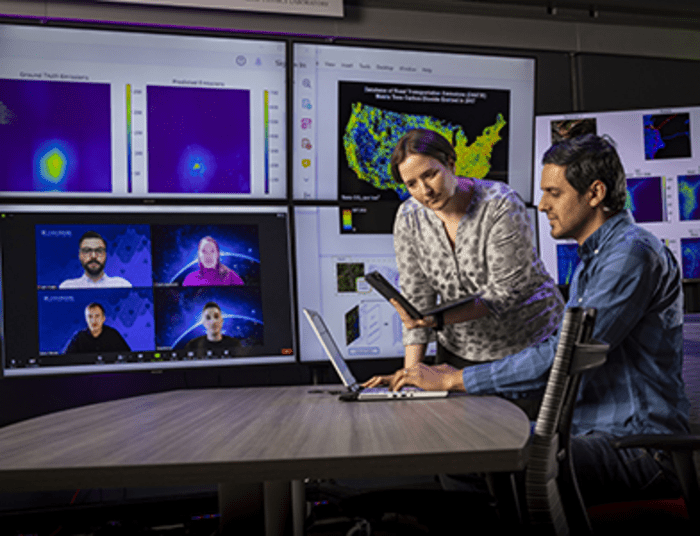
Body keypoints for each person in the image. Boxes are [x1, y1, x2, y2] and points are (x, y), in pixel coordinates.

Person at [366, 133, 690, 507]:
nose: (540, 205)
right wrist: (416, 376)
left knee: (486, 463)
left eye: (553, 193)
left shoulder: (629, 256)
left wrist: (456, 378)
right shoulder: (596, 260)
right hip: (590, 432)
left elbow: (562, 357)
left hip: (638, 448)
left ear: (595, 193)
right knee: (463, 452)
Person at [386, 128, 564, 372]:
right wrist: (410, 376)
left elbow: (506, 293)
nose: (424, 191)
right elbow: (417, 298)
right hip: (459, 350)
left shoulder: (501, 203)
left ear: (450, 163)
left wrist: (434, 320)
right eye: (412, 184)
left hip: (528, 344)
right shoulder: (408, 217)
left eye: (430, 175)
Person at [59, 231, 132, 289]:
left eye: (99, 251)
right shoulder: (67, 287)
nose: (93, 256)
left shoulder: (122, 285)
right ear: (80, 255)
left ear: (105, 255)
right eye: (87, 251)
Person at [64, 302, 131, 354]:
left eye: (97, 316)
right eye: (90, 317)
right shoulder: (79, 338)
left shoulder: (113, 335)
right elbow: (66, 359)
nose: (93, 320)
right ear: (86, 320)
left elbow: (128, 357)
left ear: (103, 318)